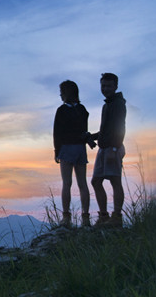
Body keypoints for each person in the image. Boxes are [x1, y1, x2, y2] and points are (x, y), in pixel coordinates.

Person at [53, 80, 93, 227]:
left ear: (65, 94)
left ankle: (66, 217)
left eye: (61, 92)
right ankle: (86, 217)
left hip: (67, 149)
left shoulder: (62, 110)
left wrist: (57, 151)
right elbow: (84, 131)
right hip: (80, 149)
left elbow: (57, 133)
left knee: (67, 183)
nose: (60, 95)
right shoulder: (82, 110)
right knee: (83, 183)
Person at [90, 73, 127, 227]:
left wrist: (114, 147)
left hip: (112, 148)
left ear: (115, 86)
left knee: (114, 181)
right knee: (96, 181)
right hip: (104, 148)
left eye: (109, 86)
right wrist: (92, 136)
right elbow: (105, 130)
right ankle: (104, 216)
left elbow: (119, 127)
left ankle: (116, 217)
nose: (105, 89)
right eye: (103, 86)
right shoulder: (107, 105)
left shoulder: (118, 104)